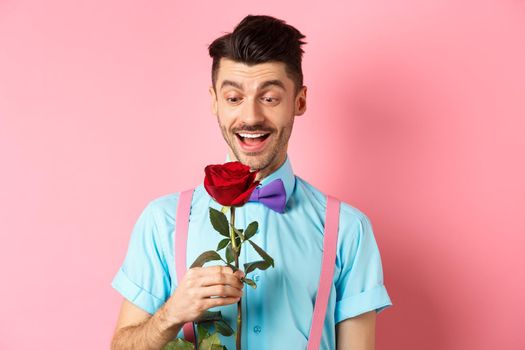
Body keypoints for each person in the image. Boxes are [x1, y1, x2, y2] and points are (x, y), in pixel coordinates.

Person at [110, 14, 392, 350]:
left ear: (299, 101)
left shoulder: (348, 229)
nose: (251, 117)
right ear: (215, 101)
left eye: (269, 97)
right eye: (234, 98)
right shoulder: (163, 221)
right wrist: (169, 315)